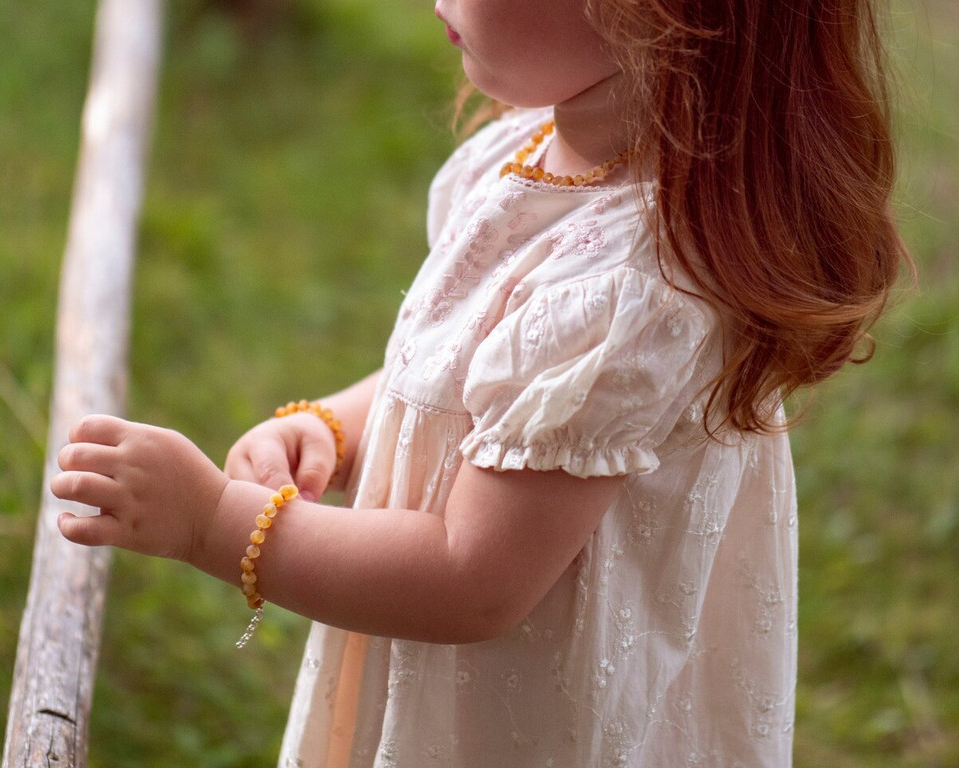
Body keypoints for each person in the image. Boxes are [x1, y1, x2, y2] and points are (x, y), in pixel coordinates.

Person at [50, 0, 908, 764]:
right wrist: (338, 428)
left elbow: (474, 580)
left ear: (654, 13)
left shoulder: (629, 290)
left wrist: (212, 524)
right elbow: (464, 375)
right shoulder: (527, 150)